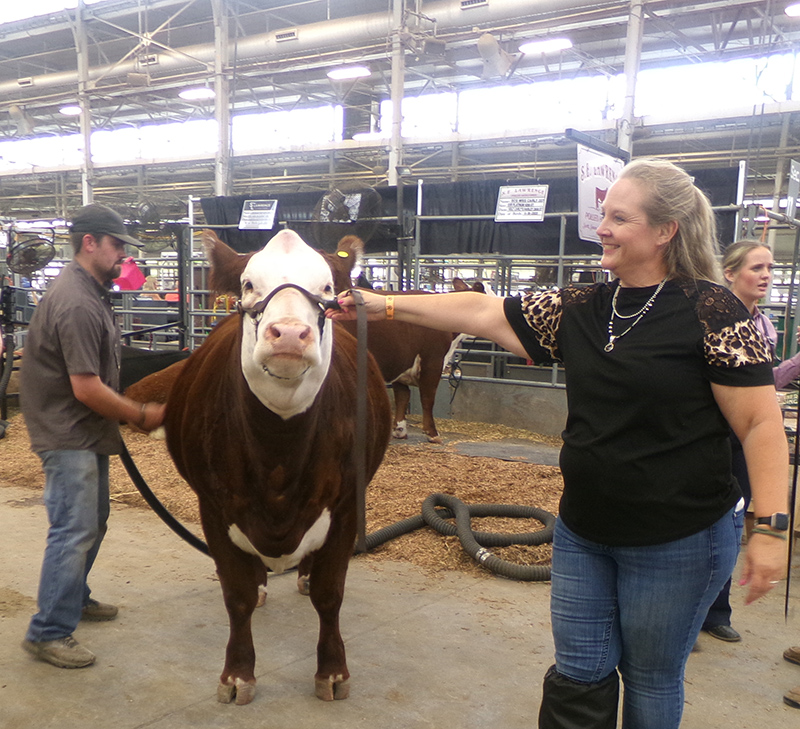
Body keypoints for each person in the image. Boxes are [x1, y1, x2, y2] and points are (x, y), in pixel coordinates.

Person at [327, 158, 789, 728]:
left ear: (665, 230)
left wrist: (770, 528)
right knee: (579, 670)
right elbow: (482, 309)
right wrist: (385, 304)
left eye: (620, 218)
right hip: (584, 531)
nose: (603, 227)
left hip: (679, 537)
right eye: (605, 216)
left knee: (650, 677)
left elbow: (761, 426)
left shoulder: (711, 311)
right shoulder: (585, 307)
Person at [20, 203, 166, 669]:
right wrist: (140, 413)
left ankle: (72, 599)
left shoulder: (91, 292)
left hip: (85, 430)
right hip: (68, 431)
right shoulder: (77, 300)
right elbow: (85, 387)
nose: (124, 255)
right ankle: (48, 632)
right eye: (118, 244)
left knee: (93, 520)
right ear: (90, 243)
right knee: (74, 528)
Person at [701, 240, 800, 643]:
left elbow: (762, 385)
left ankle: (716, 612)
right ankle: (689, 613)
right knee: (700, 519)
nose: (765, 276)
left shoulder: (765, 326)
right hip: (708, 431)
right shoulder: (709, 318)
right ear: (729, 273)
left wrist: (793, 366)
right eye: (756, 268)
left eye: (770, 268)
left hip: (742, 433)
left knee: (735, 514)